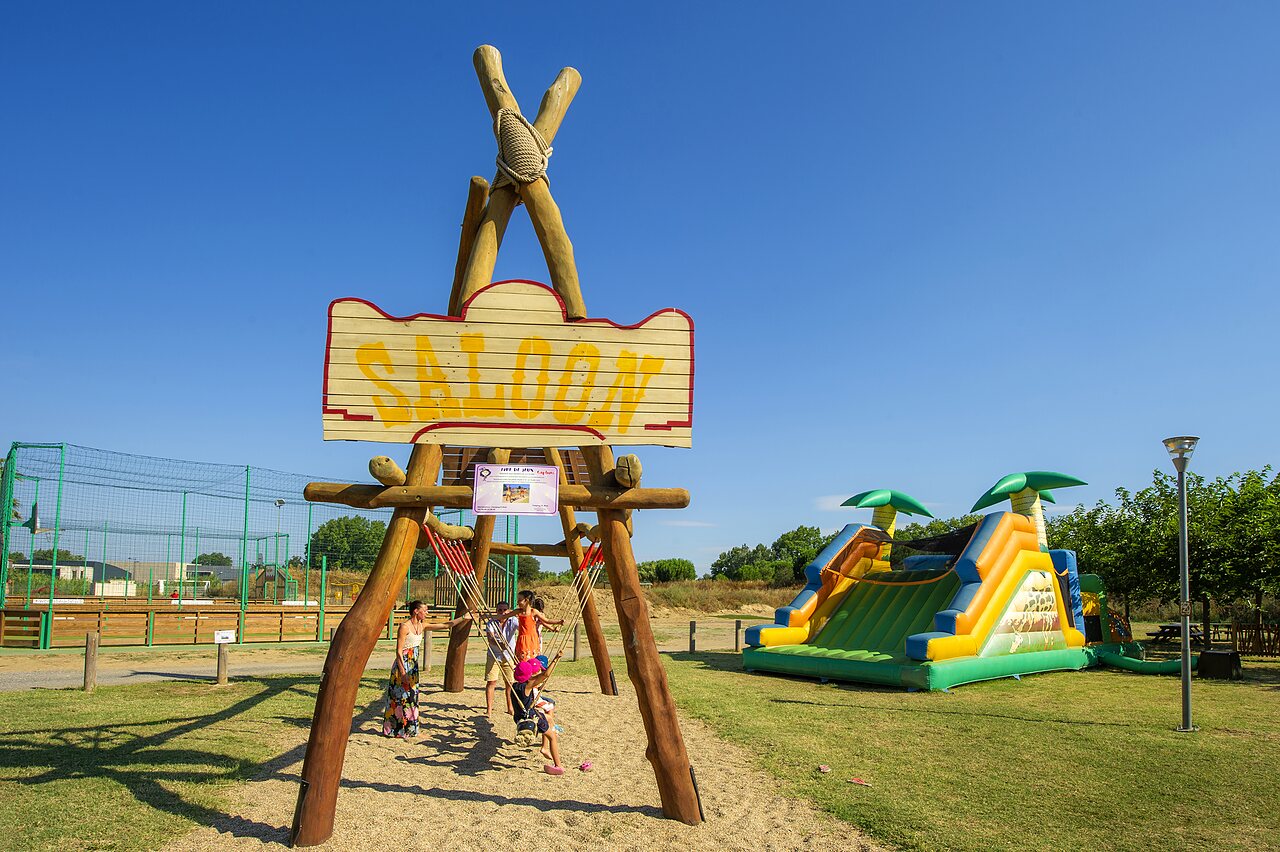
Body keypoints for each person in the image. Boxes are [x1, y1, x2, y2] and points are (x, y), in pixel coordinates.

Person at [383, 600, 469, 738]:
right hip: (403, 665)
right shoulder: (405, 627)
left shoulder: (423, 626)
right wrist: (403, 672)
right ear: (416, 611)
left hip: (413, 666)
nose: (427, 613)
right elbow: (398, 651)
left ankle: (411, 728)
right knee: (399, 697)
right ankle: (396, 729)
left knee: (412, 696)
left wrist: (464, 617)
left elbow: (446, 625)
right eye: (425, 610)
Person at [511, 652, 564, 774]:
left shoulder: (514, 686)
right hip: (531, 717)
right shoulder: (527, 687)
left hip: (518, 717)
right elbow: (545, 674)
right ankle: (558, 766)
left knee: (549, 719)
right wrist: (556, 659)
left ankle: (544, 747)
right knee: (553, 737)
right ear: (529, 675)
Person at [483, 600, 518, 718]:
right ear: (496, 611)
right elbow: (490, 639)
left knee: (510, 683)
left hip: (509, 656)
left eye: (505, 610)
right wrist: (500, 644)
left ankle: (510, 707)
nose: (502, 612)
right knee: (491, 682)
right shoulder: (491, 623)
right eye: (499, 610)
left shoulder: (513, 621)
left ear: (508, 611)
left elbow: (523, 626)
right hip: (494, 655)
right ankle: (489, 709)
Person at [513, 589, 563, 661]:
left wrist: (556, 625)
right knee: (527, 655)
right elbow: (545, 622)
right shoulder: (530, 613)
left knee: (532, 655)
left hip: (533, 637)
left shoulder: (535, 613)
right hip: (532, 636)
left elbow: (545, 622)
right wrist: (553, 628)